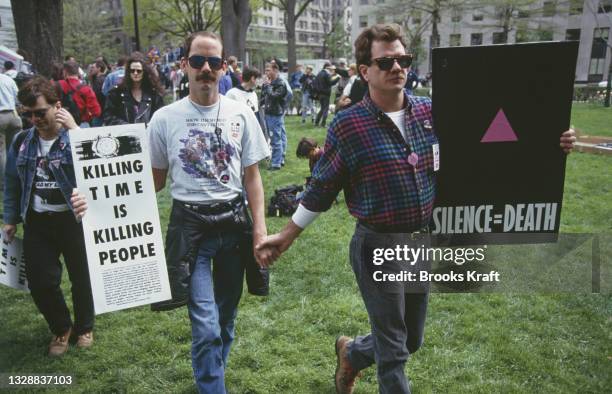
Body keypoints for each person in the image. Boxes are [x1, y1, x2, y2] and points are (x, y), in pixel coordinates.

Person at [256, 23, 577, 394]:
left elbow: (488, 141)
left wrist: (551, 137)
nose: (397, 67)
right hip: (377, 245)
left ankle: (353, 353)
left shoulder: (432, 111)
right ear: (365, 71)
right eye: (386, 61)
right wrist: (287, 234)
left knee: (410, 340)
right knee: (394, 351)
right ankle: (366, 360)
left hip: (420, 241)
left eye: (403, 59)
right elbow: (321, 188)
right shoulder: (349, 125)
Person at [147, 31, 274, 393]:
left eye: (214, 62)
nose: (206, 69)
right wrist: (96, 199)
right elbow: (154, 183)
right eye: (198, 61)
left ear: (224, 67)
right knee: (205, 325)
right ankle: (212, 386)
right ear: (184, 64)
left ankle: (212, 372)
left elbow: (252, 178)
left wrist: (260, 230)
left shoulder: (241, 113)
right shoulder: (164, 119)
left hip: (234, 226)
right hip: (192, 229)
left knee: (226, 319)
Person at [2, 76, 92, 357]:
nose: (34, 119)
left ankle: (85, 326)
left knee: (83, 278)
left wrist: (76, 132)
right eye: (26, 114)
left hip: (74, 221)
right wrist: (10, 218)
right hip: (38, 221)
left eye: (40, 112)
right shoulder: (21, 142)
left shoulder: (78, 135)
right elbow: (13, 183)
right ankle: (61, 327)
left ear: (58, 107)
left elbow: (98, 172)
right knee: (41, 282)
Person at [103, 54, 165, 125]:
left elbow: (160, 116)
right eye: (132, 71)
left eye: (138, 71)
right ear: (128, 72)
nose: (135, 73)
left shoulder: (154, 94)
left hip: (148, 134)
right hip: (124, 134)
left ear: (144, 72)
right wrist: (125, 126)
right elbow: (108, 116)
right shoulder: (116, 93)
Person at [225, 67, 268, 142]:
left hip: (251, 134)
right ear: (252, 78)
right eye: (258, 79)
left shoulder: (253, 94)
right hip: (237, 133)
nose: (259, 81)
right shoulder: (232, 94)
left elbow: (256, 116)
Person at [261, 62, 289, 171]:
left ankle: (276, 163)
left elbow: (274, 96)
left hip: (275, 114)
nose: (266, 72)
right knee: (279, 136)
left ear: (275, 70)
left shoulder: (280, 83)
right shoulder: (270, 82)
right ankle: (280, 159)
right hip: (270, 112)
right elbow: (264, 96)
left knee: (275, 138)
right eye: (266, 70)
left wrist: (267, 86)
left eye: (268, 70)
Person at [58, 61, 102, 128]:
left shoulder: (57, 85)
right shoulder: (86, 89)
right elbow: (97, 112)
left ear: (64, 72)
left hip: (61, 124)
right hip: (81, 124)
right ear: (78, 72)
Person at [0, 72, 22, 188]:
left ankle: (4, 183)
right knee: (15, 150)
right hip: (14, 116)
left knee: (1, 152)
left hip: (1, 117)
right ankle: (18, 178)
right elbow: (18, 97)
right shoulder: (8, 79)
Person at [314, 62, 340, 128]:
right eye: (330, 68)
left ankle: (316, 122)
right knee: (325, 109)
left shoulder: (319, 73)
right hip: (326, 94)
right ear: (327, 67)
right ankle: (323, 124)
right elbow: (331, 83)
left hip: (319, 94)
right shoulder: (326, 74)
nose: (331, 69)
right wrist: (338, 78)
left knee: (322, 109)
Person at [88, 60, 107, 126]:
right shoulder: (105, 78)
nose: (91, 69)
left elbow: (97, 96)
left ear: (99, 68)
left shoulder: (98, 80)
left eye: (93, 67)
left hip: (99, 111)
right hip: (104, 111)